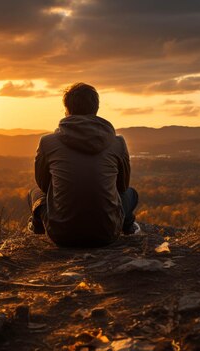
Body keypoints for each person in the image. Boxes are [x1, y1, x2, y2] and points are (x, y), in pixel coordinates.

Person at [27, 82, 139, 247]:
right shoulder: (118, 142)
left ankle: (37, 227)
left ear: (67, 110)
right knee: (131, 194)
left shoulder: (47, 142)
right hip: (107, 233)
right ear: (96, 109)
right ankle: (127, 226)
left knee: (35, 192)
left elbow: (44, 185)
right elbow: (122, 187)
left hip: (61, 235)